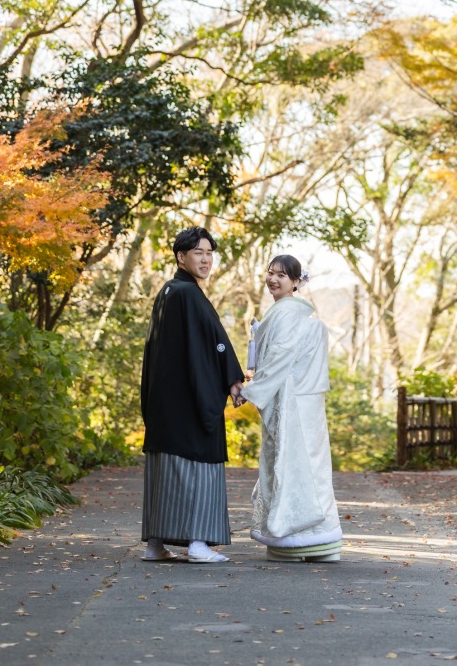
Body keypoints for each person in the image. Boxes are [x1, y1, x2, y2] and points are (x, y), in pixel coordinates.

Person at [140, 226, 244, 563]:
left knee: (166, 471)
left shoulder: (170, 292)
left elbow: (205, 344)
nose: (205, 259)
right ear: (180, 256)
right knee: (196, 468)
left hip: (166, 404)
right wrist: (227, 379)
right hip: (187, 403)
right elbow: (205, 350)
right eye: (198, 252)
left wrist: (228, 372)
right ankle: (198, 544)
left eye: (209, 253)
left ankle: (156, 543)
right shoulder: (186, 294)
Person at [240, 253, 343, 562]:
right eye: (271, 273)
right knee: (311, 466)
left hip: (291, 402)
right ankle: (321, 541)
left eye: (282, 275)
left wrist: (250, 390)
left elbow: (279, 360)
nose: (274, 279)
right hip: (308, 402)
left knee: (289, 463)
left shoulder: (285, 315)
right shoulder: (297, 317)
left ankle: (295, 541)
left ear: (296, 282)